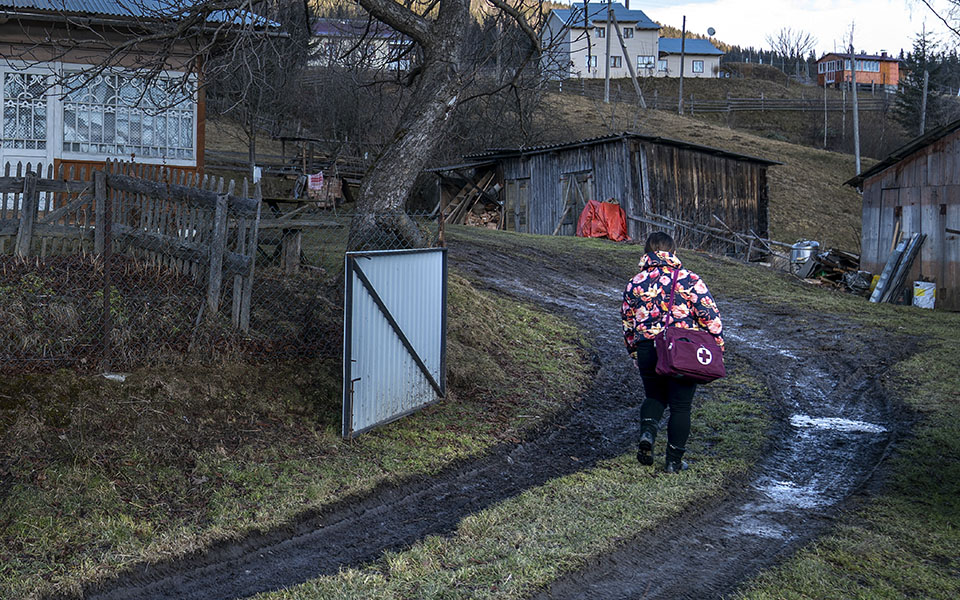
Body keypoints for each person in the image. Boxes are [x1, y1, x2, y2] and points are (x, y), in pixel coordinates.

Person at [621, 232, 724, 473]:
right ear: (674, 252)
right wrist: (717, 346)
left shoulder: (635, 282)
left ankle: (648, 432)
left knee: (655, 397)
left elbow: (627, 322)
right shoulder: (690, 279)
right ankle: (673, 462)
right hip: (681, 348)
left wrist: (634, 351)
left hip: (647, 347)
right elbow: (711, 318)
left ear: (646, 252)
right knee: (680, 406)